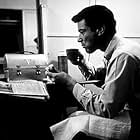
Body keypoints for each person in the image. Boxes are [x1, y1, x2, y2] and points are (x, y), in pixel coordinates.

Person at [46, 5, 140, 139]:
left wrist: (70, 83)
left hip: (134, 120)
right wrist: (81, 64)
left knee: (72, 123)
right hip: (129, 112)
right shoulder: (120, 48)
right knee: (76, 115)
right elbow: (103, 75)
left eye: (82, 31)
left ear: (100, 30)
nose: (79, 38)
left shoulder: (122, 56)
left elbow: (105, 108)